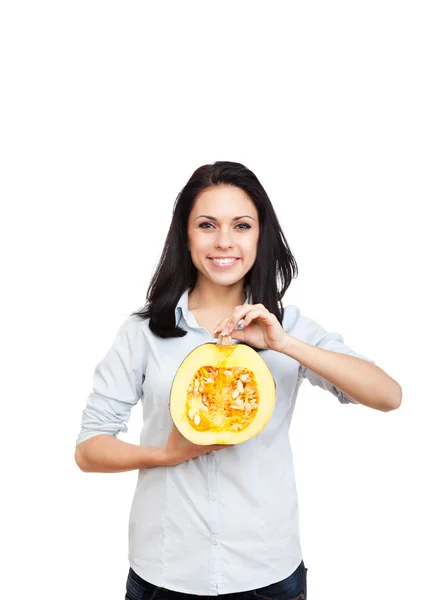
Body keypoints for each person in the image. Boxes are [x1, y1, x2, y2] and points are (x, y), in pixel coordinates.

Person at [75, 161, 402, 600]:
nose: (224, 241)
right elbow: (89, 449)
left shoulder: (289, 328)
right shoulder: (142, 332)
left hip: (267, 573)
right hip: (165, 573)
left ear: (260, 236)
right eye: (207, 225)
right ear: (185, 235)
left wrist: (285, 344)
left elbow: (388, 396)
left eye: (242, 225)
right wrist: (167, 453)